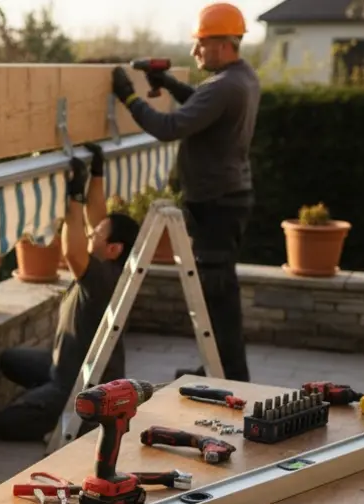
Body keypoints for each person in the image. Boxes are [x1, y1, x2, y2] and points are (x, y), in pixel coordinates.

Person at [110, 2, 259, 383]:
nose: (194, 53)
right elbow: (203, 103)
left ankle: (231, 377)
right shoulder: (242, 78)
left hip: (216, 203)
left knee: (218, 295)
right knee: (216, 294)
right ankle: (218, 368)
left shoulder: (224, 86)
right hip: (226, 199)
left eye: (201, 44)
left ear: (223, 44)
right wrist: (170, 83)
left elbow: (168, 126)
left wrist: (130, 98)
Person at [0, 143, 141, 442]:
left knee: (2, 426)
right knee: (9, 359)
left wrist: (73, 197)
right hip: (63, 363)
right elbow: (98, 220)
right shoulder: (111, 264)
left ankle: (59, 415)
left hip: (78, 384)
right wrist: (96, 174)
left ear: (113, 249)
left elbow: (71, 252)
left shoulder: (102, 278)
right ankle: (43, 397)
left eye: (96, 235)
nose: (91, 232)